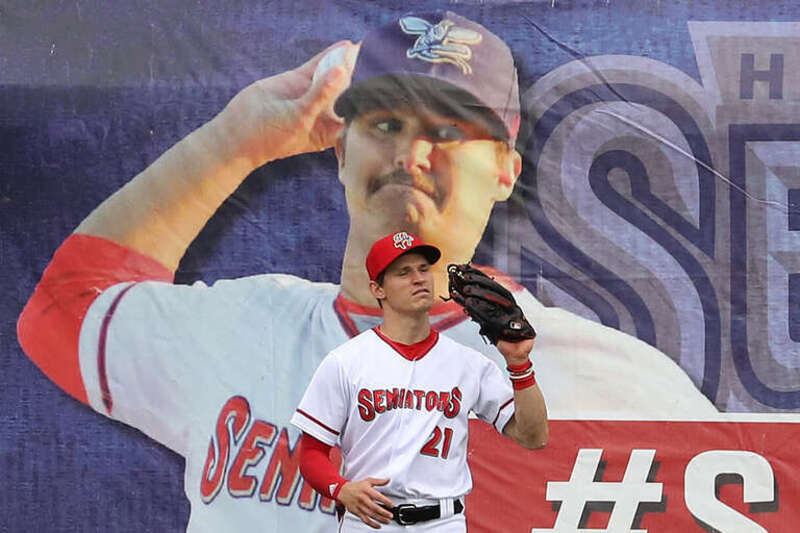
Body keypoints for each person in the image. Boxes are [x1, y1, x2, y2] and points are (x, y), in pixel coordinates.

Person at [17, 10, 716, 533]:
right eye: (384, 124)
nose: (410, 153)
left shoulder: (593, 374)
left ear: (505, 172)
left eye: (448, 130)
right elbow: (64, 311)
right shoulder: (244, 324)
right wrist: (240, 136)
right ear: (340, 151)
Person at [291, 232, 548, 532]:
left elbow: (533, 436)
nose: (419, 279)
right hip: (370, 521)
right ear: (378, 289)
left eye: (424, 269)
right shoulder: (345, 362)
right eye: (404, 273)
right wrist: (341, 489)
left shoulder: (468, 364)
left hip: (443, 522)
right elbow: (311, 453)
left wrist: (519, 364)